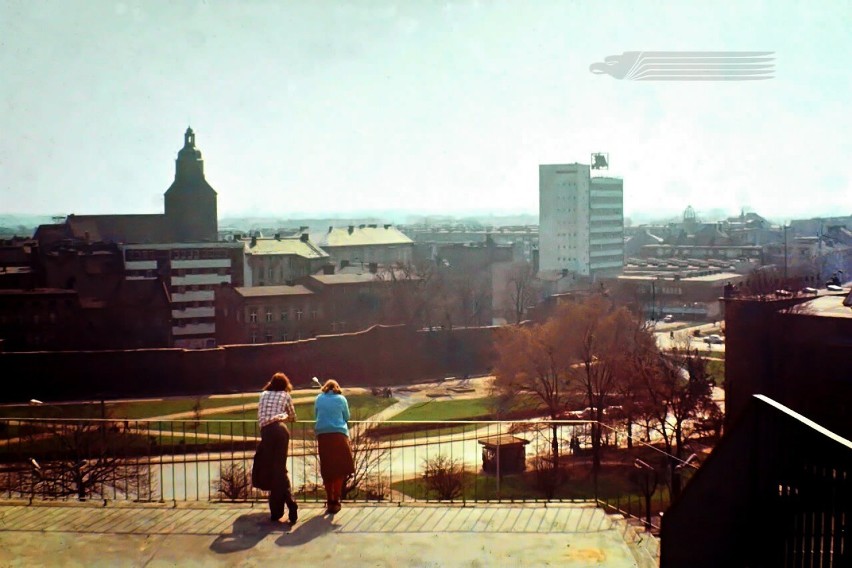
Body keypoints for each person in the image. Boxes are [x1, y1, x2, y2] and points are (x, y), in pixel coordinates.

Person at [257, 372, 298, 523]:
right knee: (280, 470)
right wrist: (284, 416)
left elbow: (260, 415)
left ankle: (277, 511)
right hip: (281, 430)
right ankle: (289, 504)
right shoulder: (286, 395)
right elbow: (293, 417)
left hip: (267, 432)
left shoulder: (263, 395)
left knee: (272, 470)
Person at [314, 379, 355, 514]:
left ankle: (329, 499)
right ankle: (336, 499)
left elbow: (317, 415)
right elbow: (347, 416)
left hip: (323, 436)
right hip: (338, 435)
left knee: (327, 469)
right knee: (340, 469)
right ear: (337, 388)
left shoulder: (319, 398)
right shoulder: (341, 399)